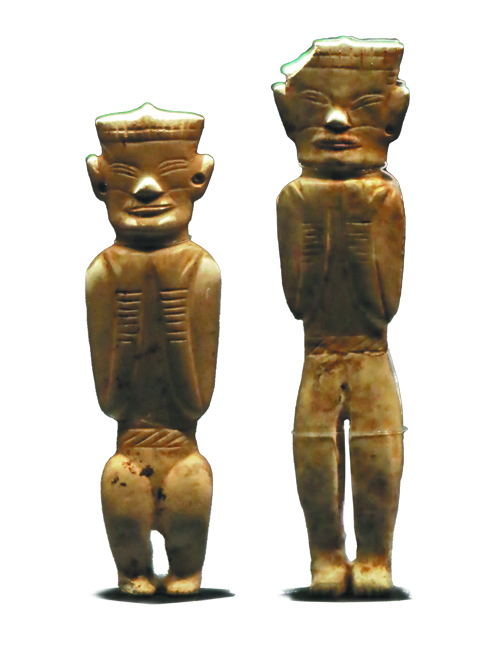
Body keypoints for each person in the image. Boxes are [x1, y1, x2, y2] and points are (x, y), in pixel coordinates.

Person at [273, 37, 410, 595]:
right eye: (316, 105)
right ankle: (325, 557)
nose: (334, 121)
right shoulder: (294, 198)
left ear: (393, 117)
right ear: (289, 116)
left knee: (376, 444)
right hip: (319, 352)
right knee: (315, 448)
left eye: (361, 106)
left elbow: (385, 303)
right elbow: (298, 300)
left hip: (368, 350)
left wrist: (353, 228)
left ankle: (376, 557)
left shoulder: (383, 196)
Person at [86, 103, 220, 595]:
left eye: (166, 174)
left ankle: (187, 569)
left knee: (193, 478)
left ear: (198, 178)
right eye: (127, 176)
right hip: (130, 451)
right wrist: (127, 328)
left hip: (182, 452)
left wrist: (175, 320)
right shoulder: (104, 273)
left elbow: (196, 402)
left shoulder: (200, 269)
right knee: (117, 476)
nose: (145, 189)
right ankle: (132, 570)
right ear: (100, 181)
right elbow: (111, 401)